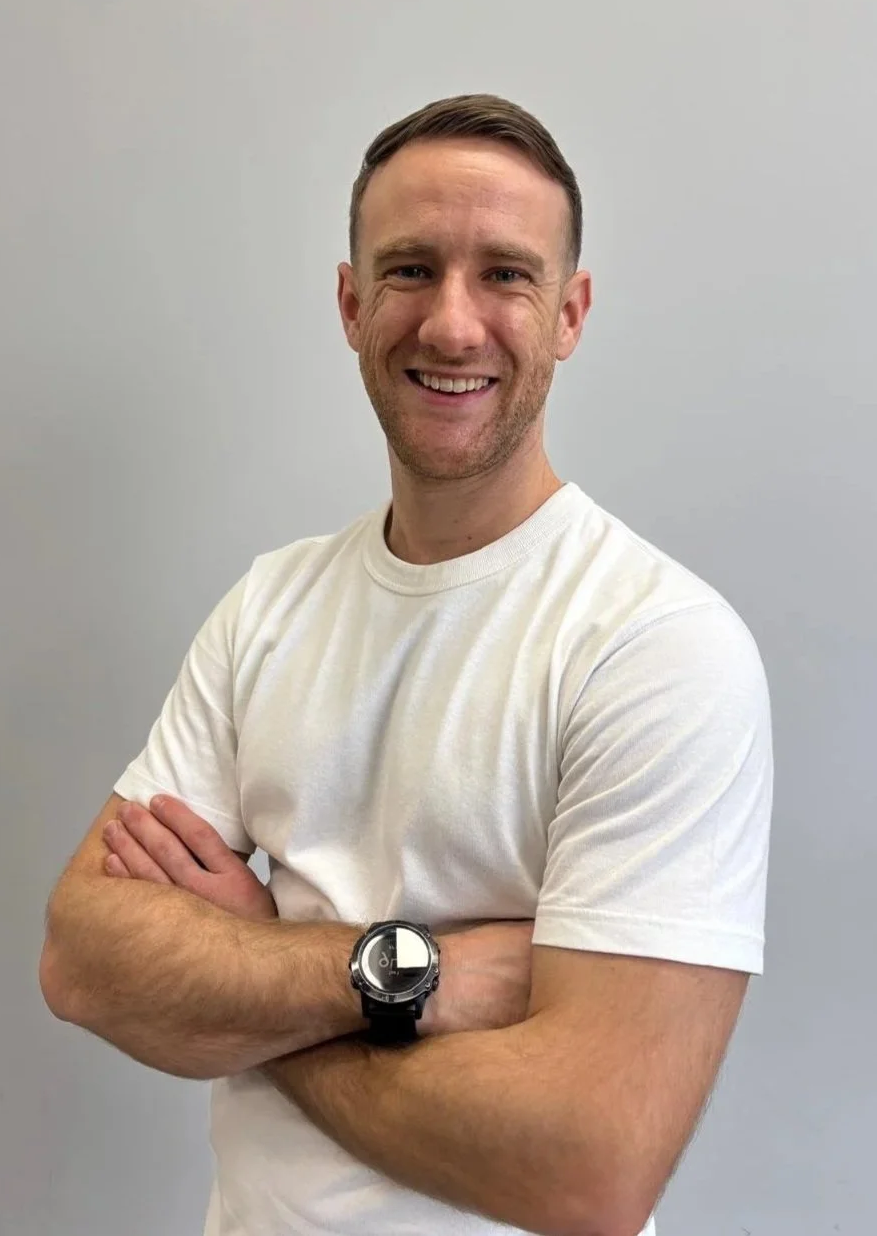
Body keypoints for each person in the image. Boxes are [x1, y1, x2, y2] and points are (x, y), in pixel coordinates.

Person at [39, 93, 773, 1236]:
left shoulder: (654, 646)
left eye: (506, 276)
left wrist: (259, 974)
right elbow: (84, 961)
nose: (450, 324)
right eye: (410, 269)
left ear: (570, 313)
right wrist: (403, 976)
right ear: (348, 301)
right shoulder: (267, 607)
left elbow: (590, 1168)